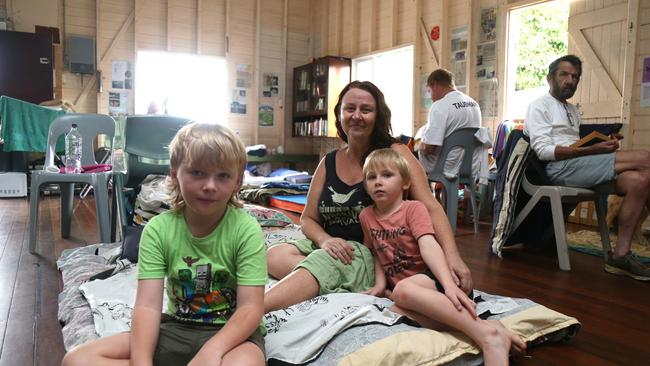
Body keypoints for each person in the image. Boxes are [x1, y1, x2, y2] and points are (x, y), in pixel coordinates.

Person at [61, 122, 267, 366]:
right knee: (77, 360)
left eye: (223, 176)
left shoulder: (246, 230)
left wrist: (211, 351)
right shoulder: (158, 230)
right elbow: (147, 307)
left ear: (237, 183)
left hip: (232, 337)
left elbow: (250, 310)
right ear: (174, 174)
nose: (210, 186)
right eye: (198, 172)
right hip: (176, 327)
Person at [264, 80, 473, 313]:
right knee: (274, 255)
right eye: (349, 108)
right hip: (333, 247)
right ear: (340, 114)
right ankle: (342, 285)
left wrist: (453, 257)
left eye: (366, 110)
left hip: (368, 252)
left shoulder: (394, 154)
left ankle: (254, 310)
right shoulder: (329, 161)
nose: (356, 116)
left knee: (321, 265)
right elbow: (307, 219)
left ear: (378, 116)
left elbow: (431, 207)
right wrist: (325, 240)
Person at [359, 148, 525, 365]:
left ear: (405, 183)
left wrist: (449, 286)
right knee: (394, 310)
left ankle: (489, 338)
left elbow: (429, 245)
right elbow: (375, 253)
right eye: (371, 177)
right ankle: (489, 327)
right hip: (409, 294)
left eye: (387, 175)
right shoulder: (366, 216)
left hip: (434, 278)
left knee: (402, 290)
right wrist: (380, 285)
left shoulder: (413, 208)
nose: (378, 182)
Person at [525, 54, 650, 281]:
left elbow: (575, 146)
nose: (570, 80)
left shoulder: (573, 111)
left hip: (578, 167)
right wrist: (594, 150)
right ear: (549, 78)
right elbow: (544, 152)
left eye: (575, 77)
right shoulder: (539, 106)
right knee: (645, 158)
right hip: (557, 170)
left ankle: (620, 256)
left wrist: (601, 143)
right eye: (564, 75)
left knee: (639, 180)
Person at [418, 68, 482, 180]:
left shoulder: (439, 106)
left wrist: (418, 145)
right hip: (470, 167)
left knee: (413, 156)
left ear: (434, 85)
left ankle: (424, 195)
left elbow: (430, 147)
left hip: (446, 168)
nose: (431, 98)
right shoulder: (474, 104)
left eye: (429, 91)